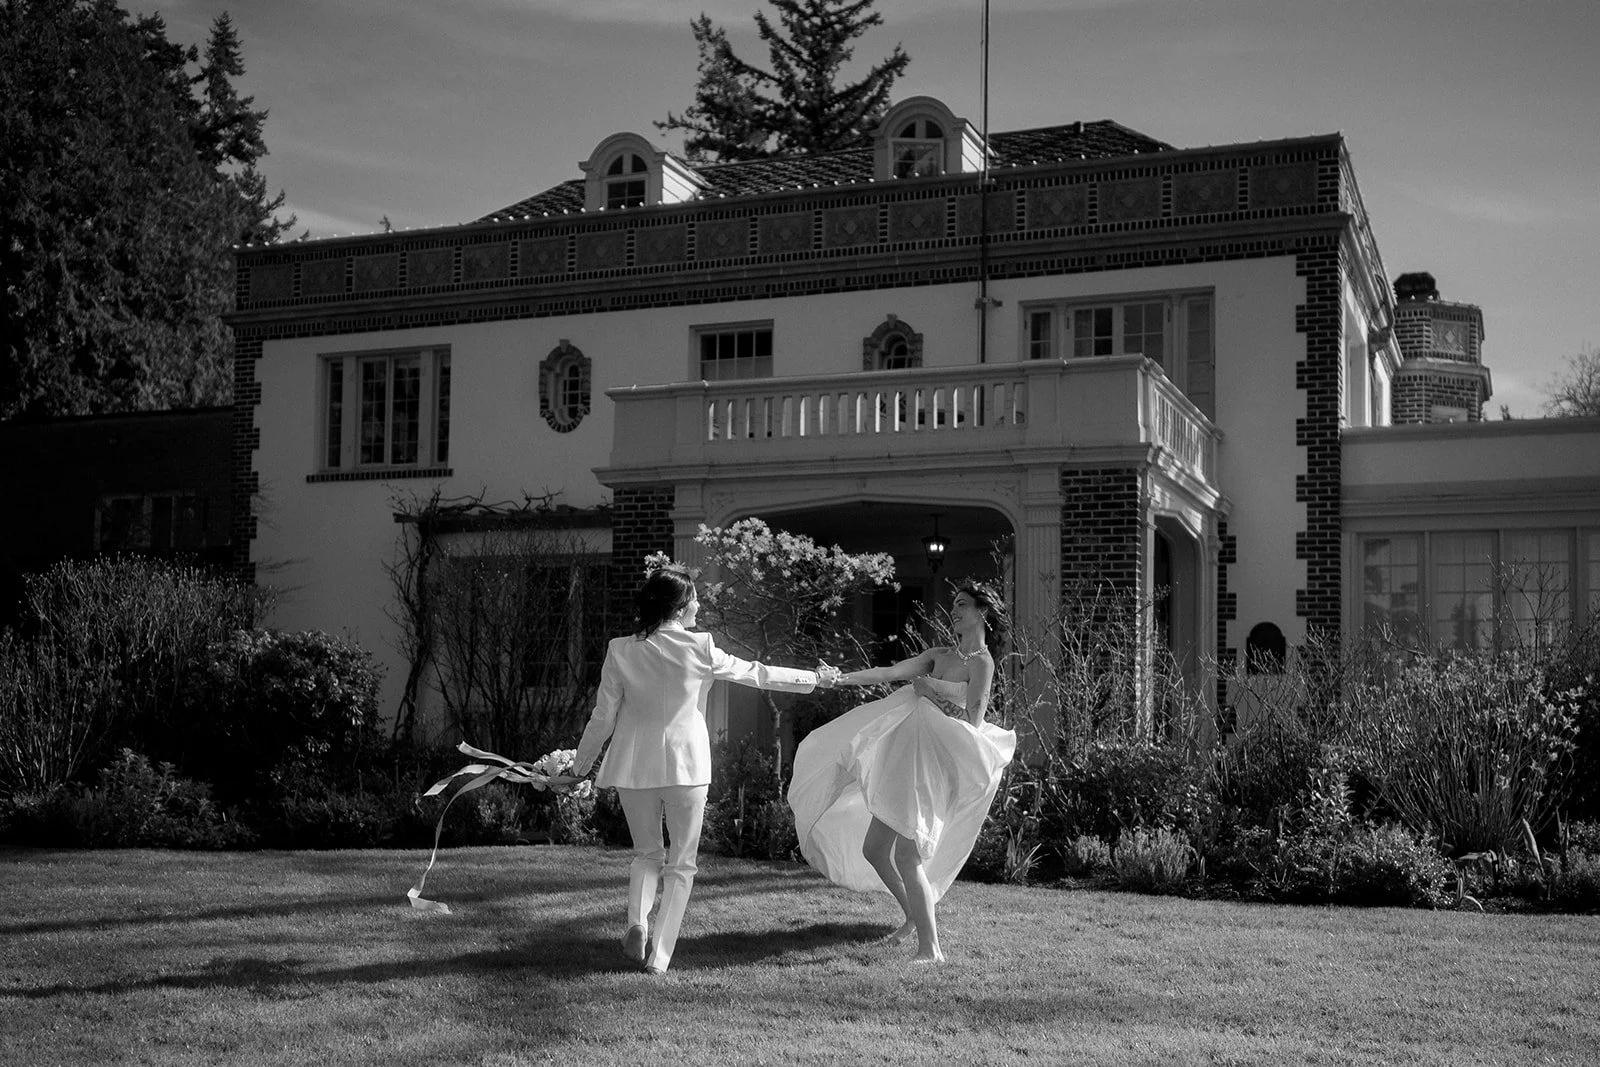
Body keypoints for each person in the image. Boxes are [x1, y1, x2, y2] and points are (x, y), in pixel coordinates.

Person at [569, 563, 826, 975]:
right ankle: (660, 957)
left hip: (633, 764)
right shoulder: (701, 646)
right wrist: (812, 678)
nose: (700, 605)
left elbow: (603, 718)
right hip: (688, 764)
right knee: (682, 863)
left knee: (646, 853)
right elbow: (756, 674)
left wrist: (580, 765)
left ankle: (637, 922)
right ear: (680, 606)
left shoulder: (620, 649)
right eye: (694, 599)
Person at [788, 583, 1016, 963]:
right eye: (953, 604)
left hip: (933, 765)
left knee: (908, 856)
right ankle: (913, 915)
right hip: (903, 758)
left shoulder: (982, 663)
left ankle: (931, 949)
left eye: (962, 605)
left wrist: (929, 692)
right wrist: (838, 677)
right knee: (875, 849)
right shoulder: (938, 655)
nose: (954, 610)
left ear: (983, 612)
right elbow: (888, 672)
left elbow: (972, 722)